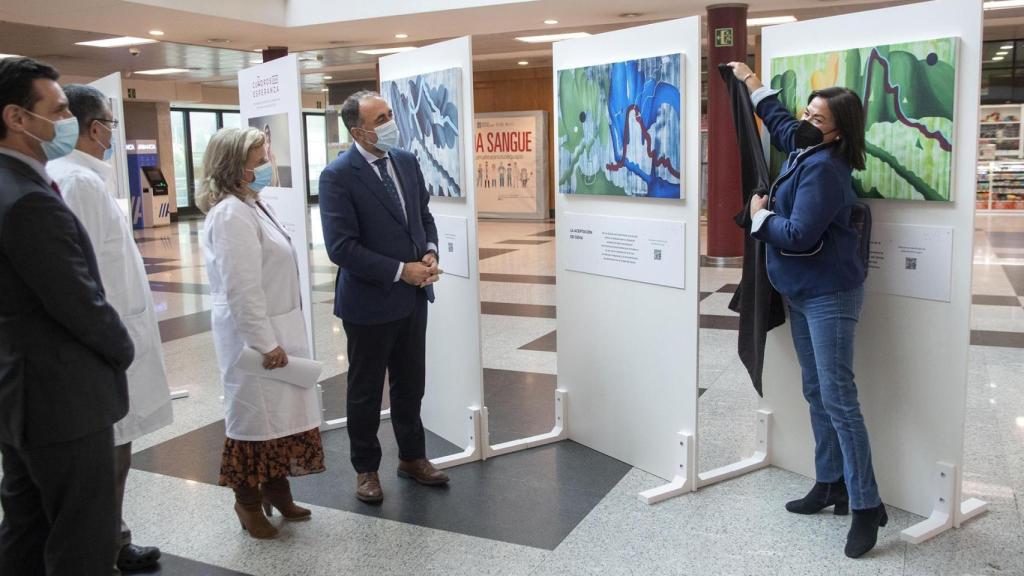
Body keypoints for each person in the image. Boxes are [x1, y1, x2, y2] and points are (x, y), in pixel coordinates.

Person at [728, 62, 884, 559]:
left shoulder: (825, 169)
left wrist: (759, 218)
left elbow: (798, 234)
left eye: (818, 119)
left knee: (838, 399)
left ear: (839, 131)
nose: (806, 122)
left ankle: (867, 506)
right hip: (801, 290)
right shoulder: (805, 145)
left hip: (828, 295)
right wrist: (750, 81)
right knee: (817, 392)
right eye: (807, 113)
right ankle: (830, 483)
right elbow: (779, 122)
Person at [0, 57, 134, 575]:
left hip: (22, 394)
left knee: (28, 529)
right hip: (62, 399)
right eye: (57, 111)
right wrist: (121, 348)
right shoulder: (28, 200)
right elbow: (77, 300)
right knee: (83, 540)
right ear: (17, 117)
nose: (68, 122)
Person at [48, 84, 174, 574]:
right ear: (96, 128)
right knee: (108, 458)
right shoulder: (77, 183)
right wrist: (113, 341)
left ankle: (115, 539)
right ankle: (105, 549)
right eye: (111, 124)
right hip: (105, 346)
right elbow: (82, 277)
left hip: (112, 340)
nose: (111, 133)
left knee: (115, 455)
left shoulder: (83, 179)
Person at [319, 90, 447, 504]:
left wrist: (429, 251)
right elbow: (342, 248)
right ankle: (366, 470)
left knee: (411, 385)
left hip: (413, 299)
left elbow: (423, 216)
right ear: (358, 132)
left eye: (390, 114)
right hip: (369, 303)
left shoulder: (406, 162)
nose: (392, 123)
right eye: (381, 119)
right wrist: (400, 270)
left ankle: (412, 457)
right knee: (366, 391)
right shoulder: (338, 176)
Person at [198, 127, 325, 540]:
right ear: (235, 167)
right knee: (253, 424)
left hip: (277, 326)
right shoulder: (230, 215)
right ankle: (248, 503)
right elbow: (242, 287)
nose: (267, 165)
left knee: (279, 421)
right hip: (254, 340)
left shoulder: (251, 204)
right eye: (259, 160)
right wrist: (265, 343)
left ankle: (277, 489)